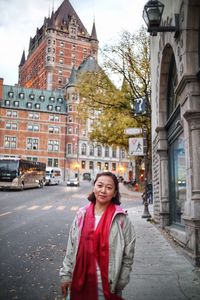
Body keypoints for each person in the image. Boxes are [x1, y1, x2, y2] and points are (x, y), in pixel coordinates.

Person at [60, 171, 136, 300]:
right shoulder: (81, 215)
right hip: (78, 281)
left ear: (115, 193)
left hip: (107, 285)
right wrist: (66, 275)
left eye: (109, 188)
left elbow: (128, 255)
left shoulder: (121, 219)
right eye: (99, 185)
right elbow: (71, 248)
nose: (103, 191)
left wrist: (121, 281)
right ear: (94, 187)